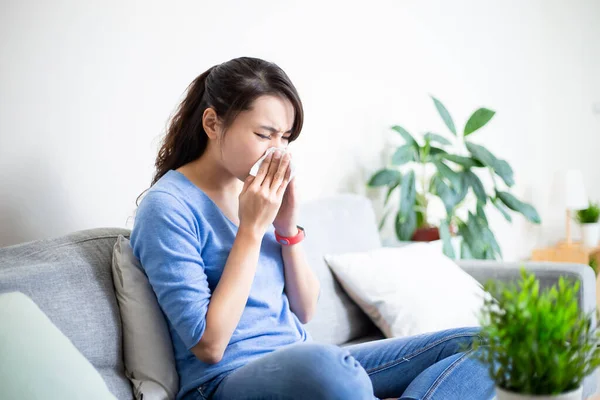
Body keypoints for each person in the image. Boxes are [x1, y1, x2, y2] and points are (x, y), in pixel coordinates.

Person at [129, 56, 495, 400]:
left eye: (285, 138)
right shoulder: (168, 207)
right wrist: (252, 230)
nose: (278, 152)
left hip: (302, 360)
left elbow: (305, 312)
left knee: (488, 344)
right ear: (212, 123)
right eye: (264, 134)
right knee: (331, 367)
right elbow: (210, 346)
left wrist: (287, 230)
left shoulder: (255, 191)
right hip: (224, 380)